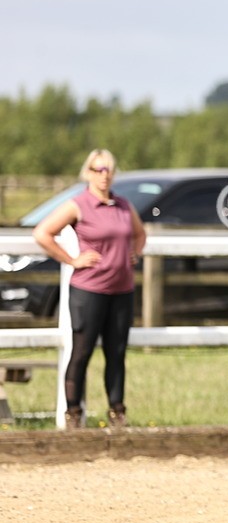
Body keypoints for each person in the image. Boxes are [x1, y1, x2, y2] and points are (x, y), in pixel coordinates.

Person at [33, 149, 145, 429]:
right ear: (88, 173)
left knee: (116, 353)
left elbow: (140, 233)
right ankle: (73, 414)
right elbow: (42, 233)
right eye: (97, 170)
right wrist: (72, 260)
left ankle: (117, 413)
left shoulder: (123, 205)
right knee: (81, 352)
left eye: (107, 170)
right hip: (89, 290)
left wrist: (135, 253)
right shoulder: (78, 205)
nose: (103, 175)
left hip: (122, 290)